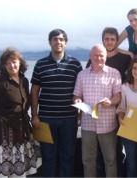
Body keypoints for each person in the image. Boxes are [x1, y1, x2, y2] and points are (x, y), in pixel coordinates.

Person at [30, 29, 83, 177]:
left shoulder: (75, 64)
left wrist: (79, 114)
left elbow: (80, 91)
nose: (58, 42)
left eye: (61, 39)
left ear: (65, 43)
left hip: (69, 119)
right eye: (55, 39)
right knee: (48, 157)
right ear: (50, 42)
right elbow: (34, 91)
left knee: (68, 156)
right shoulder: (40, 65)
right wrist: (34, 115)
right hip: (45, 119)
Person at [86, 27, 132, 177]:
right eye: (107, 39)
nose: (110, 42)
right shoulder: (94, 58)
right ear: (102, 40)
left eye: (113, 39)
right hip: (101, 115)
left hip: (121, 109)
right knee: (100, 153)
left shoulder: (125, 58)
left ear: (117, 40)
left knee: (117, 150)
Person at [73, 44, 121, 177]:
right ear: (90, 56)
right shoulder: (82, 75)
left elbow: (118, 96)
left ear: (106, 57)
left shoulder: (114, 73)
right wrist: (77, 101)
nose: (99, 58)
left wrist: (111, 101)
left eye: (101, 55)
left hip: (108, 125)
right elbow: (77, 95)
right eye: (96, 55)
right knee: (88, 161)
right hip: (88, 124)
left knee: (110, 160)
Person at [0, 48, 42, 177]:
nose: (12, 65)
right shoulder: (0, 81)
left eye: (14, 61)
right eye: (8, 63)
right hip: (5, 129)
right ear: (4, 66)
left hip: (22, 127)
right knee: (6, 163)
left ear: (20, 62)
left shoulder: (24, 80)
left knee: (21, 162)